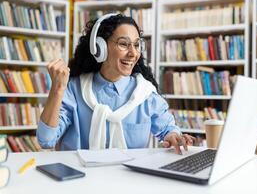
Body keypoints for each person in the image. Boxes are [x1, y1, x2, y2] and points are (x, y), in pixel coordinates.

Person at [36, 13, 195, 154]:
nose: (133, 53)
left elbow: (168, 130)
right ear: (100, 48)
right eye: (124, 44)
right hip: (79, 181)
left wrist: (174, 137)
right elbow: (46, 140)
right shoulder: (74, 89)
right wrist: (57, 89)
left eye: (137, 45)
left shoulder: (144, 94)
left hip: (128, 183)